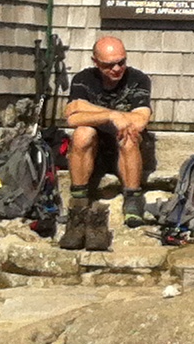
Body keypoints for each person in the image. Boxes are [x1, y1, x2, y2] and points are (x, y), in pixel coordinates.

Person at [65, 35, 154, 227]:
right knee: (82, 133)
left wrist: (86, 109)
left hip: (125, 149)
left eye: (121, 62)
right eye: (109, 65)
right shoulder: (83, 80)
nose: (116, 69)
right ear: (95, 62)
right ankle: (79, 200)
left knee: (129, 136)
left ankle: (132, 198)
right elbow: (72, 118)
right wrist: (112, 116)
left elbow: (140, 120)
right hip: (93, 149)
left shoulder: (138, 79)